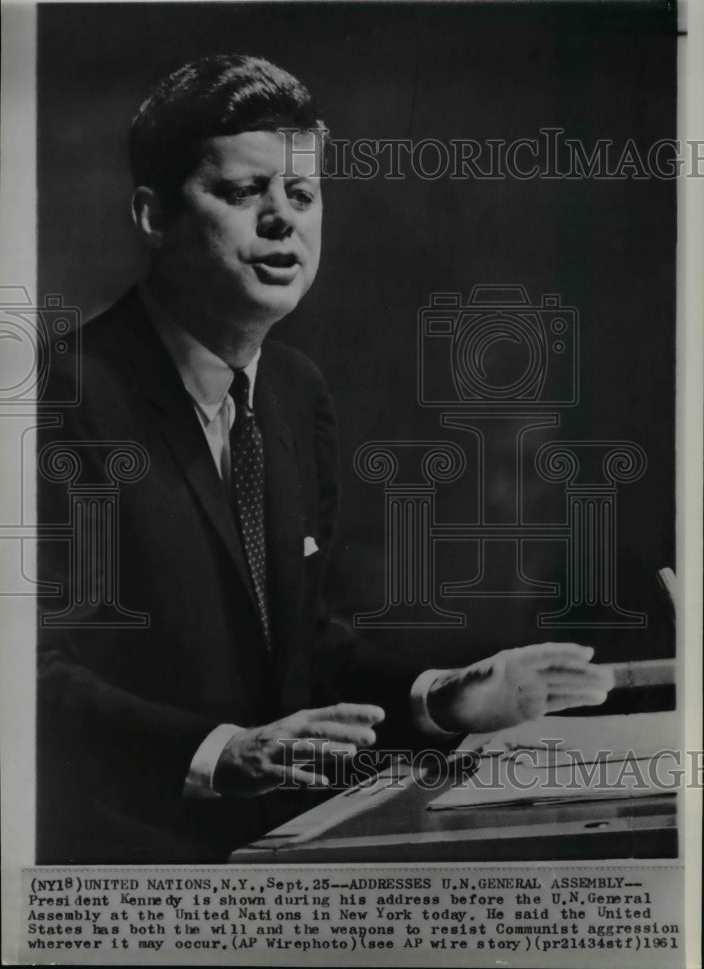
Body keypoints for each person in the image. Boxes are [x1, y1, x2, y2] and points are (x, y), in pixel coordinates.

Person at [37, 54, 613, 863]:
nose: (283, 221)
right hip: (112, 875)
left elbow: (301, 640)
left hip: (280, 858)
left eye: (302, 196)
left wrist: (439, 697)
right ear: (151, 215)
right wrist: (216, 752)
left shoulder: (295, 391)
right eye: (243, 193)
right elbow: (27, 673)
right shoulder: (56, 397)